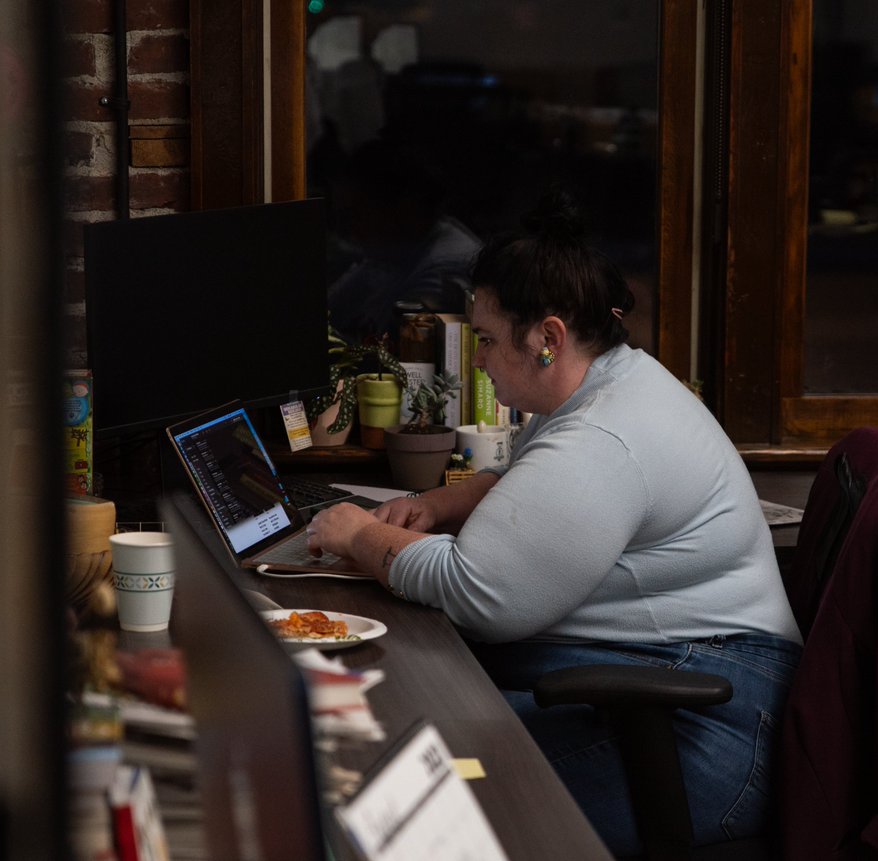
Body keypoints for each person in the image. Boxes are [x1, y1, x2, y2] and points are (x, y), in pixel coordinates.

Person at [306, 191, 802, 854]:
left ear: (548, 337)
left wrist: (361, 535)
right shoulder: (610, 383)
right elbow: (537, 484)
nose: (478, 358)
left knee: (415, 816)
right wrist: (445, 502)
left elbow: (480, 593)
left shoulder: (604, 436)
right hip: (679, 685)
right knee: (411, 744)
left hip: (706, 728)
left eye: (485, 339)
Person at [325, 136, 481, 344]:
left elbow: (406, 348)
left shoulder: (448, 267)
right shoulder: (387, 252)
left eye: (356, 213)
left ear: (406, 207)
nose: (348, 227)